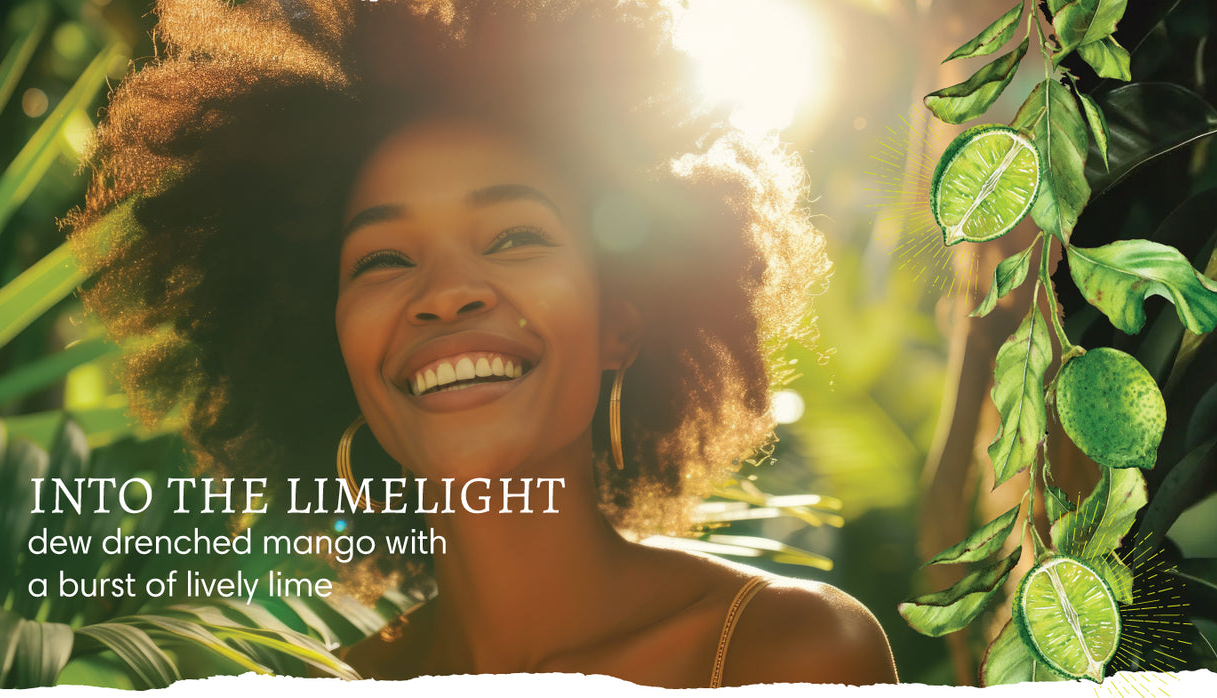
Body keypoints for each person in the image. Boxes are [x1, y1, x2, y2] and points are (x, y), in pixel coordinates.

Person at [67, 0, 897, 686]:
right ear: (333, 354)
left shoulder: (782, 655)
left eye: (513, 238)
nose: (445, 292)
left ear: (620, 323)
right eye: (384, 258)